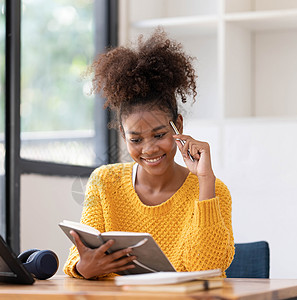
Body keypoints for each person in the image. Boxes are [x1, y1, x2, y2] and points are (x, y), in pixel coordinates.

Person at [63, 29, 234, 279]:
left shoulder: (215, 191)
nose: (149, 149)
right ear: (123, 135)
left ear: (179, 126)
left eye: (159, 135)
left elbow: (209, 267)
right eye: (136, 139)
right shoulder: (104, 182)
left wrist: (205, 182)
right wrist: (83, 268)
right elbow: (79, 255)